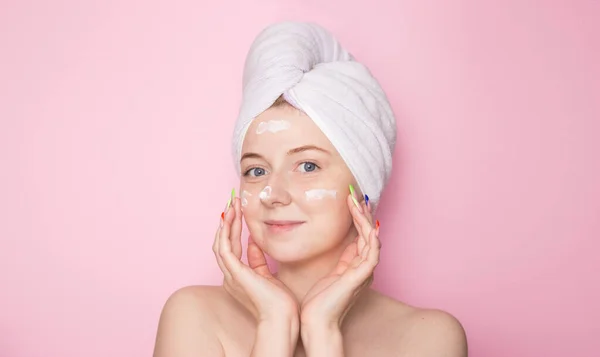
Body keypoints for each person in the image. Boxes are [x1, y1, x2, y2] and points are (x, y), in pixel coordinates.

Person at [153, 21, 467, 357]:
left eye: (308, 166)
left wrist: (323, 332)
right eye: (256, 170)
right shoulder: (194, 317)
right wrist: (275, 323)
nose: (273, 194)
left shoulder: (428, 339)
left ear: (363, 185)